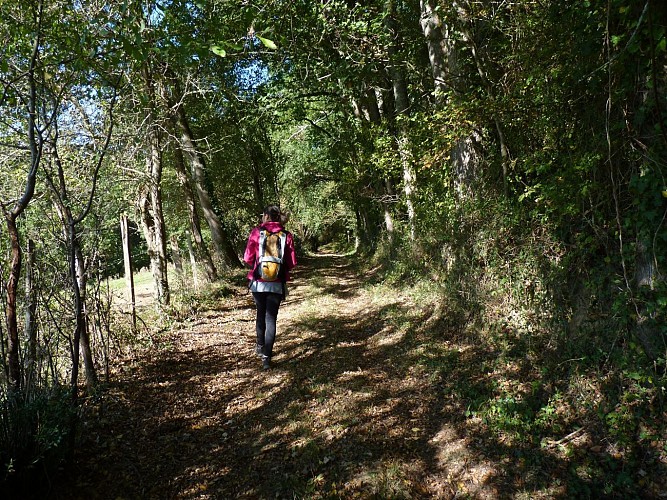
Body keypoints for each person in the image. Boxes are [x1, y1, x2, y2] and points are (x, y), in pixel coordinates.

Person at [243, 205, 297, 370]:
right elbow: (292, 262)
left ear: (266, 216)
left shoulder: (256, 232)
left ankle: (260, 347)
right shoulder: (286, 235)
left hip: (258, 283)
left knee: (261, 314)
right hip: (276, 285)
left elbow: (247, 258)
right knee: (271, 319)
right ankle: (267, 358)